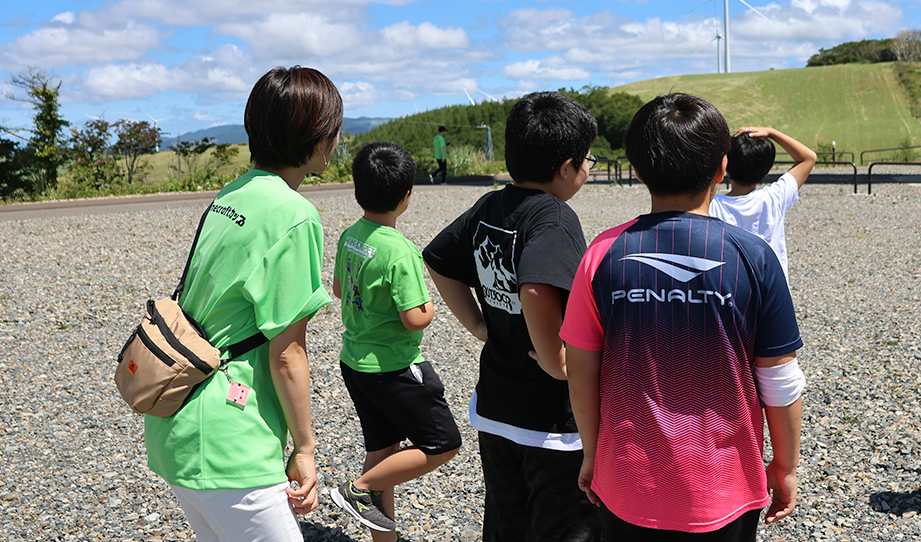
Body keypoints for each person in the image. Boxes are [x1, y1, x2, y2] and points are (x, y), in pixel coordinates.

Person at [561, 93, 805, 540]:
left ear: (637, 170)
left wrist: (593, 453)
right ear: (721, 168)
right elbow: (779, 377)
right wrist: (785, 465)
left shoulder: (602, 253)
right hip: (726, 485)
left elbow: (580, 371)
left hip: (627, 481)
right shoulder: (753, 256)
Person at [144, 66, 341, 541]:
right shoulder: (295, 215)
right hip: (231, 442)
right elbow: (288, 352)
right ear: (316, 140)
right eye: (334, 128)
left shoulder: (232, 193)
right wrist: (306, 448)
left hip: (176, 420)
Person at [423, 91, 598, 542]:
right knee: (561, 529)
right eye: (588, 162)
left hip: (497, 406)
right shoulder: (554, 219)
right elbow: (536, 287)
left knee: (506, 525)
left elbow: (439, 258)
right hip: (550, 424)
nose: (588, 170)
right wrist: (557, 360)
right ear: (565, 167)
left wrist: (480, 323)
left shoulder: (492, 206)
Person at [329, 142, 462, 541]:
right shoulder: (399, 250)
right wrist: (430, 310)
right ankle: (358, 490)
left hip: (354, 362)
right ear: (406, 195)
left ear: (358, 189)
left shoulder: (351, 236)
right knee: (443, 443)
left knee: (383, 452)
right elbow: (414, 317)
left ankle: (383, 535)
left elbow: (338, 289)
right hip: (394, 367)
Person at [709, 126, 817, 278]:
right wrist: (771, 132)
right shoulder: (774, 198)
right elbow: (808, 158)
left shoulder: (712, 205)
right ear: (767, 170)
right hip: (772, 290)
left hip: (730, 291)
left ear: (726, 165)